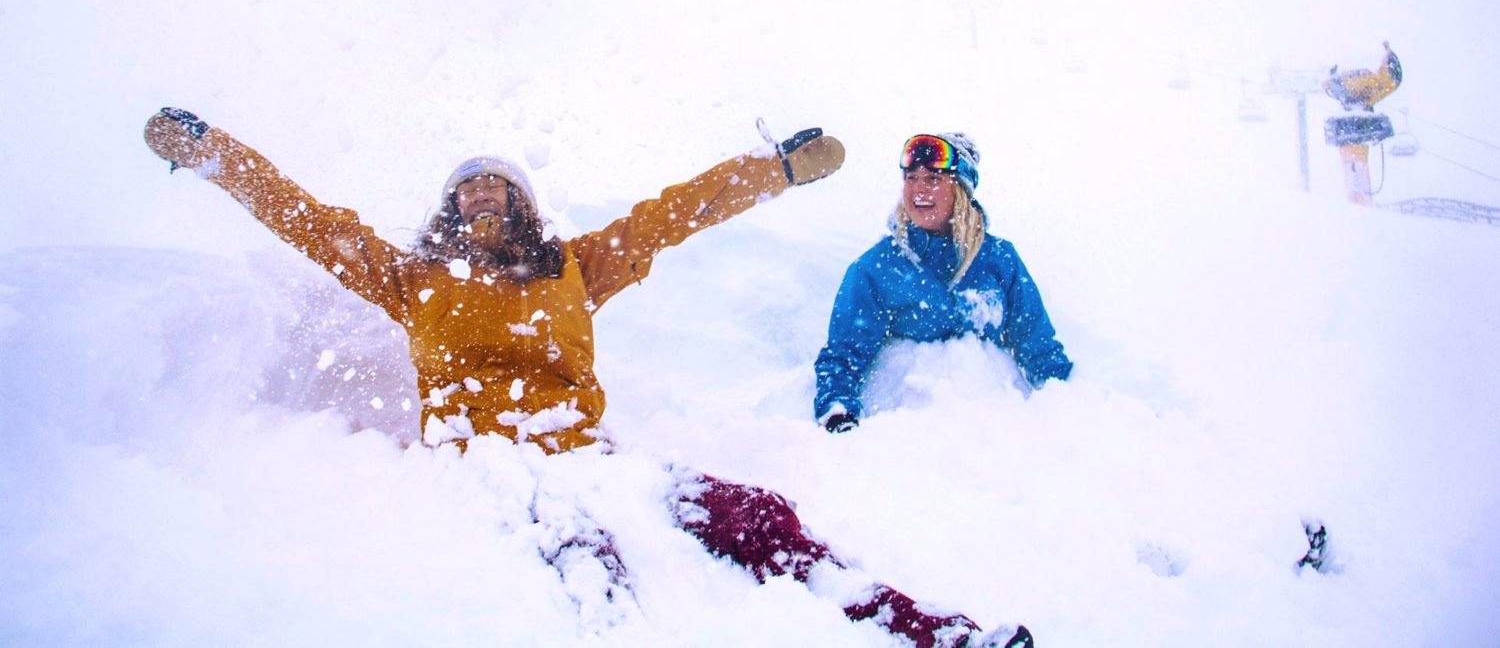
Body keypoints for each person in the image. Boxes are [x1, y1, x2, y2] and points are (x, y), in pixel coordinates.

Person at [142, 109, 1033, 648]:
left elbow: (672, 214)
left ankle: (924, 627)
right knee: (588, 568)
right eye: (467, 188)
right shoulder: (411, 281)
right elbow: (306, 220)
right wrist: (213, 151)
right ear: (449, 209)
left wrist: (777, 169)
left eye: (499, 185)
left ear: (525, 204)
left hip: (591, 456)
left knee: (756, 519)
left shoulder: (573, 267)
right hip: (486, 471)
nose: (482, 194)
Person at [814, 132, 1073, 433]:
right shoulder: (878, 269)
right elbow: (843, 356)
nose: (919, 190)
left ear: (961, 189)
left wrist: (1071, 409)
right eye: (911, 178)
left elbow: (1038, 347)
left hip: (994, 434)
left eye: (933, 179)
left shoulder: (999, 261)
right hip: (904, 433)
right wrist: (838, 413)